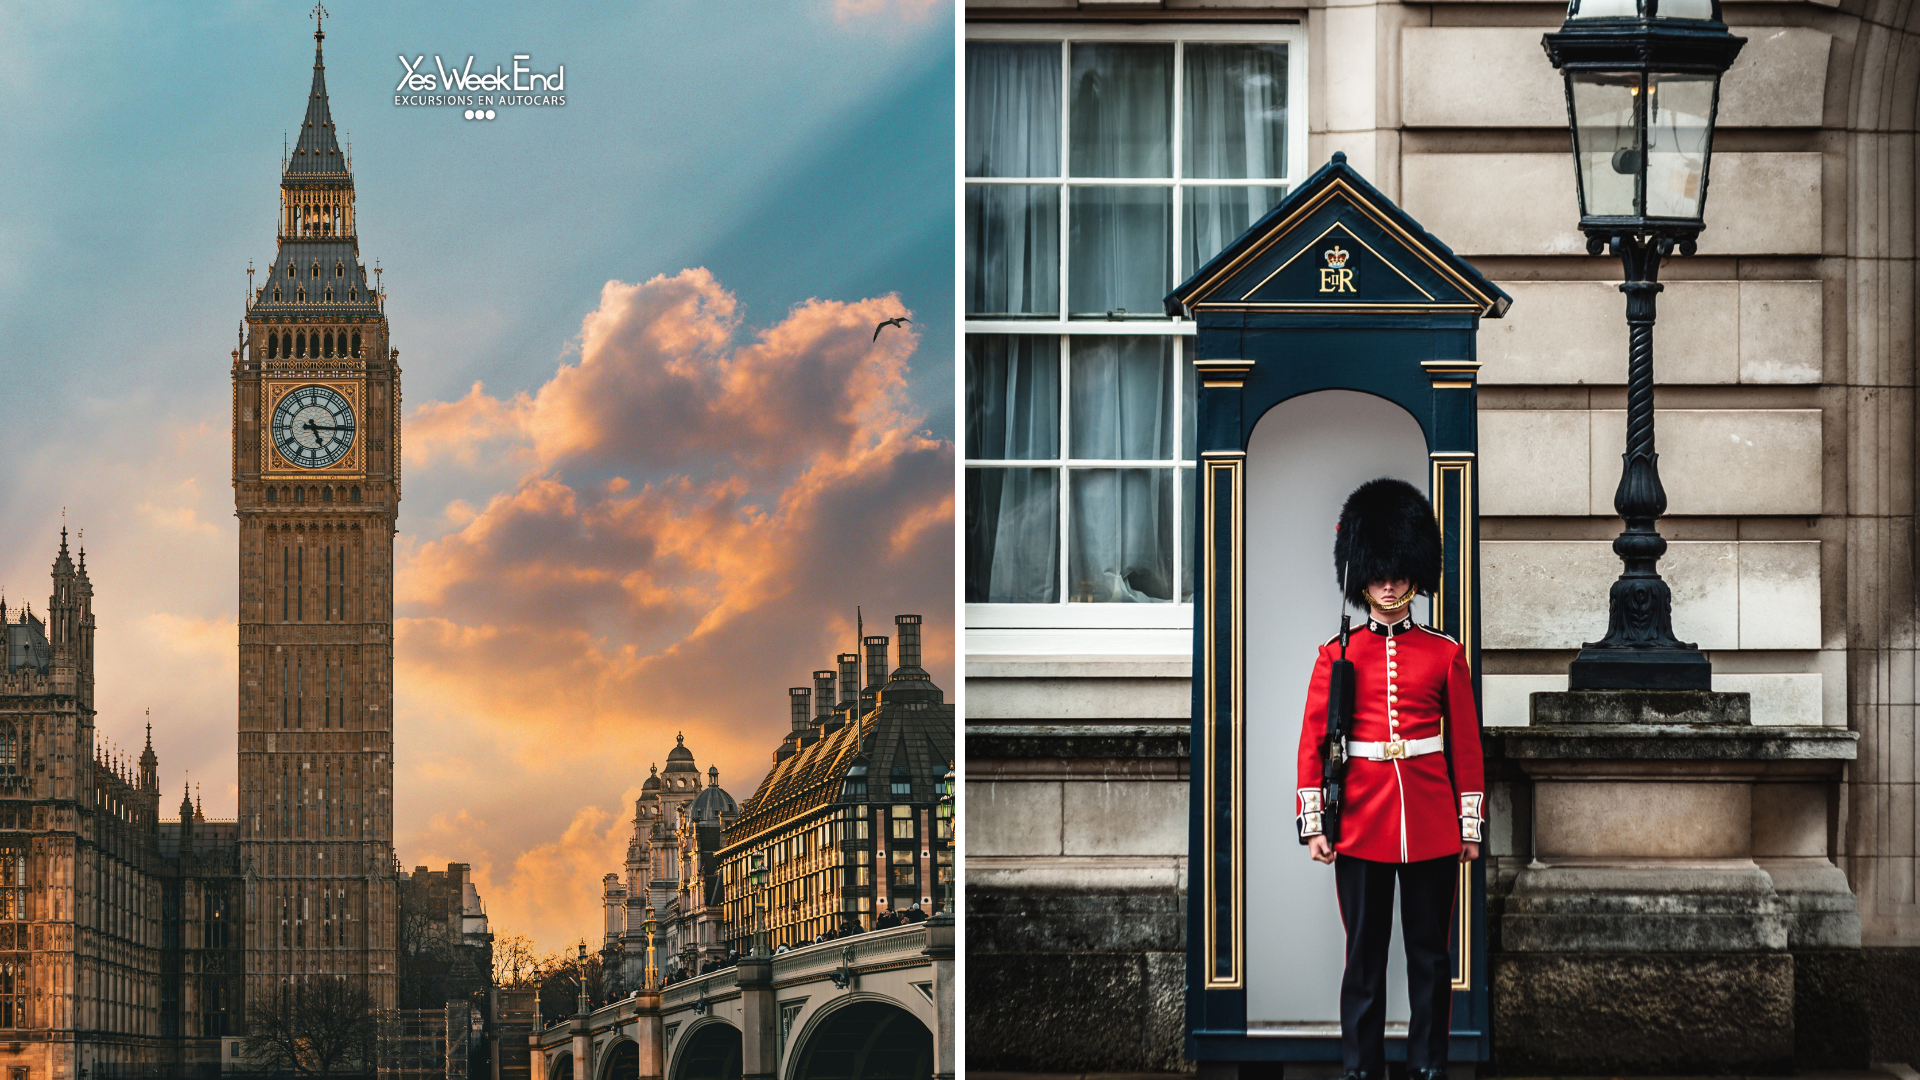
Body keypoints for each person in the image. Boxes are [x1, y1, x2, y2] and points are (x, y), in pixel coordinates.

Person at [1296, 478, 1485, 1080]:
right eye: (1378, 571)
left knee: (1430, 957)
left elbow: (1465, 747)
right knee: (1364, 959)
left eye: (1399, 570)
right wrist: (1313, 825)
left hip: (1430, 822)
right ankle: (1361, 1067)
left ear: (1413, 571)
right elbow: (1314, 744)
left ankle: (1429, 1065)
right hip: (1359, 819)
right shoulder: (1336, 655)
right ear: (1362, 573)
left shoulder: (1444, 653)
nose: (1388, 582)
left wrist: (1469, 823)